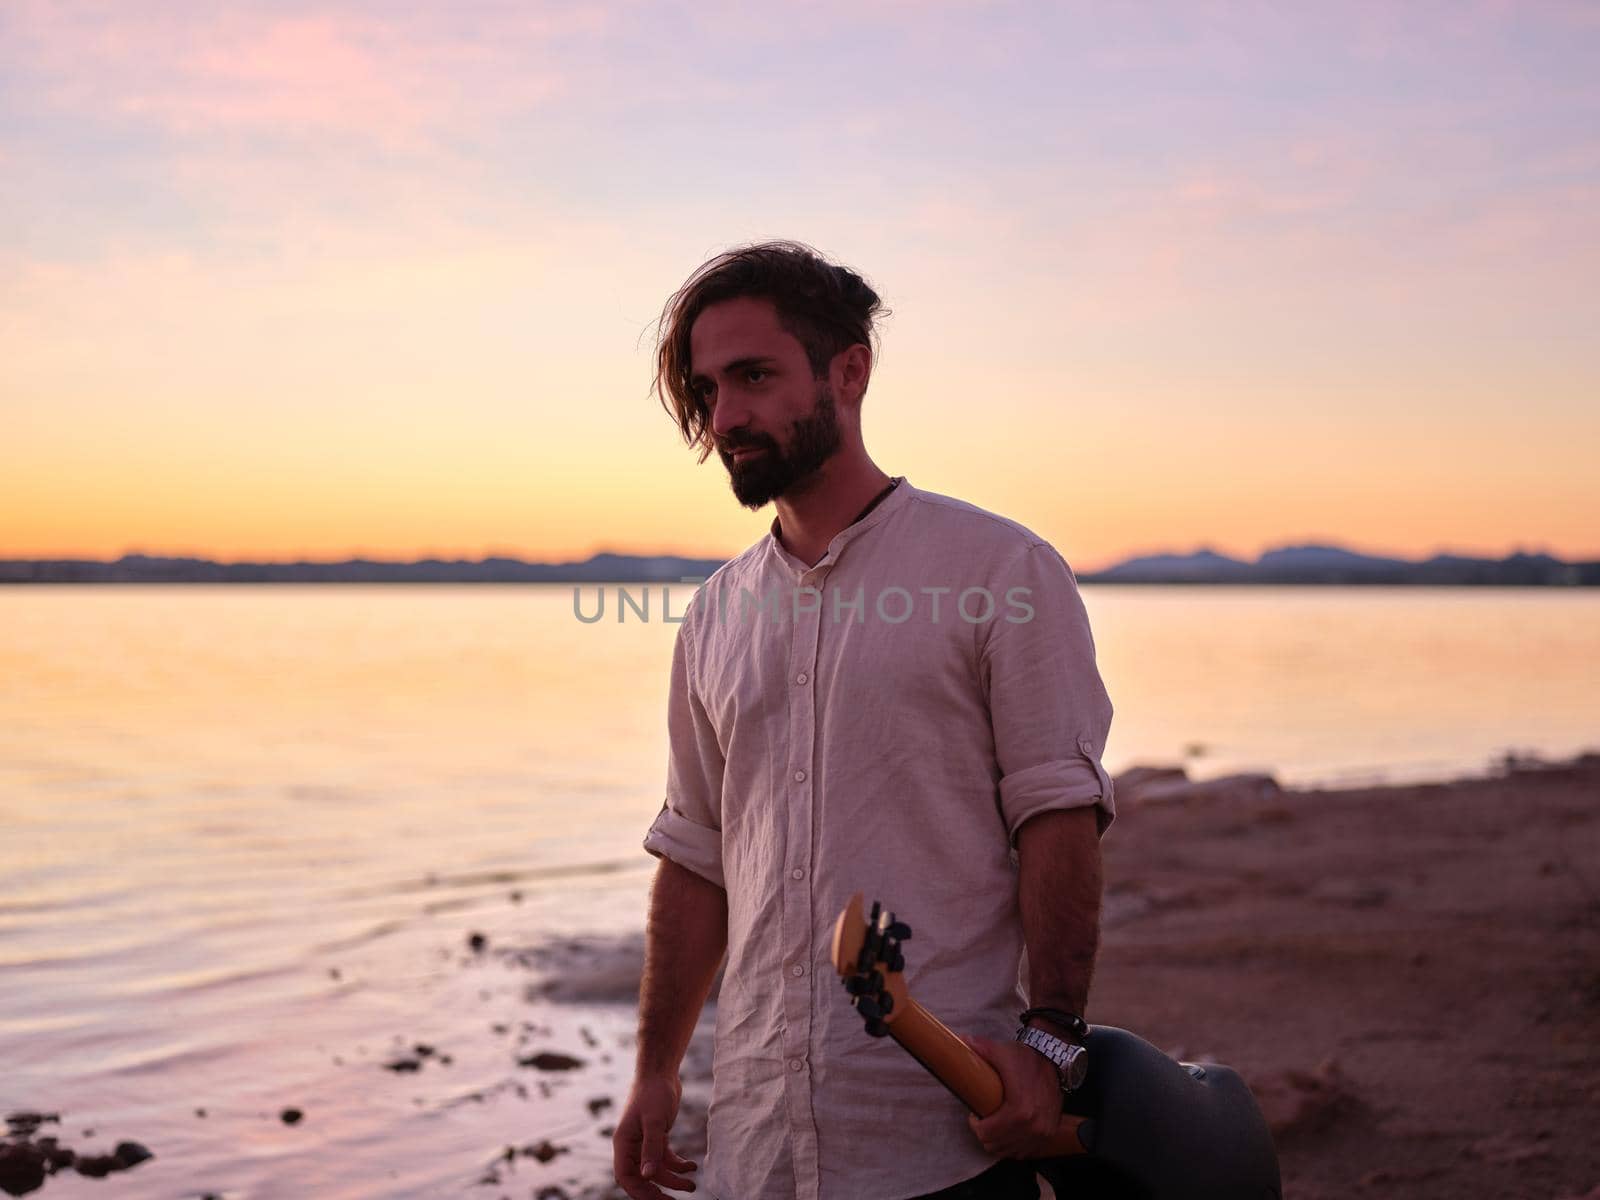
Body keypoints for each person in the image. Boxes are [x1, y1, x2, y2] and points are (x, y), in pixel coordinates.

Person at [613, 241, 1115, 1200]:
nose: (727, 417)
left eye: (754, 376)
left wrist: (1051, 1044)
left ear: (850, 370)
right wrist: (656, 1069)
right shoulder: (715, 614)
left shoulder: (998, 571)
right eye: (709, 389)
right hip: (752, 1151)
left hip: (937, 1139)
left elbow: (1056, 815)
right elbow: (695, 855)